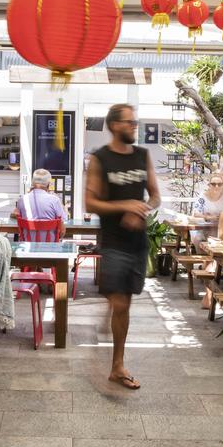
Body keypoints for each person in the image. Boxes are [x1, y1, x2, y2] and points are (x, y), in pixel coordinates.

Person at [84, 103, 160, 390]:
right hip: (113, 240)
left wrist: (142, 208)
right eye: (129, 122)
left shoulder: (143, 155)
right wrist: (123, 206)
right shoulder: (100, 158)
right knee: (121, 303)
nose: (134, 126)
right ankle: (117, 366)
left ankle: (113, 316)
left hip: (138, 243)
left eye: (135, 122)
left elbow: (155, 196)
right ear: (114, 125)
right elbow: (90, 203)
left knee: (123, 304)